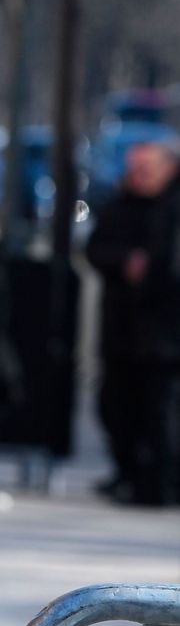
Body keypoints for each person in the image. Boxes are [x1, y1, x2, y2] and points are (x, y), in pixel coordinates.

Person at [86, 140, 180, 505]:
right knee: (117, 405)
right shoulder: (119, 205)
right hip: (124, 331)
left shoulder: (172, 207)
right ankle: (127, 473)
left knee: (163, 412)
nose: (138, 175)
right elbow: (96, 249)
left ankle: (159, 483)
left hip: (166, 334)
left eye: (147, 168)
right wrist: (124, 262)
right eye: (134, 168)